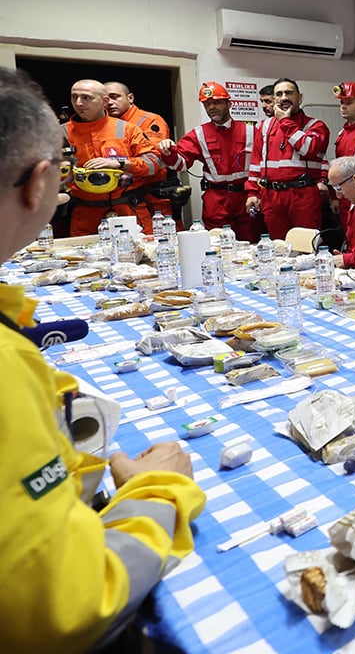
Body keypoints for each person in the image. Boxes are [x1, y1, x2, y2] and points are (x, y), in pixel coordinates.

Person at [0, 66, 205, 651]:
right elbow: (65, 604)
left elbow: (159, 161)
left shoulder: (139, 125)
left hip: (131, 210)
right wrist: (158, 490)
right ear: (41, 183)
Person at [156, 82, 261, 242]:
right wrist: (169, 151)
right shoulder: (198, 134)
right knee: (218, 245)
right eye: (207, 104)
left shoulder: (250, 131)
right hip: (216, 200)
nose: (211, 107)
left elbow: (263, 165)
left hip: (246, 197)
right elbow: (180, 165)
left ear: (229, 104)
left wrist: (256, 193)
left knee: (252, 242)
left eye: (217, 102)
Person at [63, 79, 163, 235]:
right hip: (85, 214)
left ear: (105, 101)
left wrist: (120, 163)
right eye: (74, 97)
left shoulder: (127, 129)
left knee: (143, 250)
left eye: (86, 97)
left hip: (128, 210)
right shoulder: (60, 134)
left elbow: (153, 163)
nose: (79, 103)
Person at [245, 77, 330, 240]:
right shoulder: (264, 127)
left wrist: (285, 121)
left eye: (289, 93)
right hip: (271, 196)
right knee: (278, 247)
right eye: (279, 94)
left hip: (303, 195)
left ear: (300, 97)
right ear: (274, 99)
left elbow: (308, 149)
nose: (284, 97)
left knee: (306, 245)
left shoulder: (316, 126)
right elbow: (256, 163)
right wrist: (252, 193)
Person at [105, 81, 182, 227]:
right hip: (124, 195)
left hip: (154, 192)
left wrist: (119, 163)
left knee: (165, 234)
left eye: (115, 97)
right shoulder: (105, 125)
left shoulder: (149, 120)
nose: (110, 103)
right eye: (106, 99)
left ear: (130, 98)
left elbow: (153, 157)